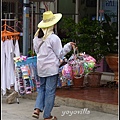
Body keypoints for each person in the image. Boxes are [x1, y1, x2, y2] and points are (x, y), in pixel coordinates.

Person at [32, 11, 76, 120]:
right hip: (51, 68)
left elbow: (37, 51)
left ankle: (37, 109)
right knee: (50, 91)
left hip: (41, 67)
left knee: (42, 89)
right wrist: (69, 46)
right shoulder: (53, 38)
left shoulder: (36, 37)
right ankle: (47, 115)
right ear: (52, 25)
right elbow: (60, 53)